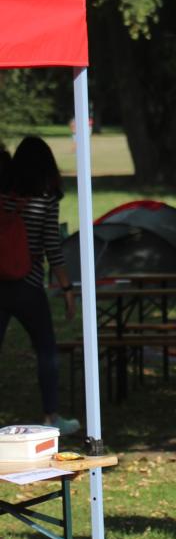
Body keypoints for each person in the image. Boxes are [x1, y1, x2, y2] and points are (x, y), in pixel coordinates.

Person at [0, 136, 81, 435]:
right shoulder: (45, 200)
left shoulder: (3, 197)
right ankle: (51, 416)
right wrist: (67, 289)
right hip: (29, 284)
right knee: (46, 350)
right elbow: (52, 248)